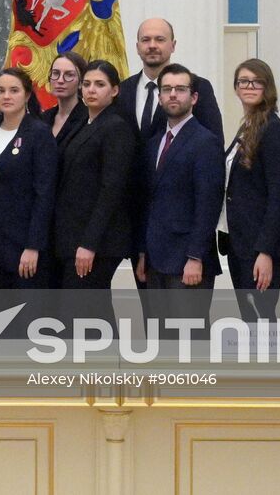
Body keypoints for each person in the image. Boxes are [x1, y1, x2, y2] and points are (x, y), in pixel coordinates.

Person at [135, 64, 222, 333]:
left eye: (180, 89)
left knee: (189, 342)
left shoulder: (205, 142)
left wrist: (195, 257)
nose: (173, 94)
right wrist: (143, 253)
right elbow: (148, 203)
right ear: (159, 97)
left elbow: (208, 204)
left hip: (188, 261)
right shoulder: (154, 144)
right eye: (167, 89)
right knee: (161, 341)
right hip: (156, 260)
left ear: (194, 97)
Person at [52, 61, 137, 324]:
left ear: (114, 90)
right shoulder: (85, 123)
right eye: (87, 84)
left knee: (83, 314)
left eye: (99, 85)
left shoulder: (116, 127)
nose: (91, 90)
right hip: (74, 236)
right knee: (92, 313)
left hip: (97, 242)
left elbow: (111, 189)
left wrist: (89, 244)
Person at [0, 68, 58, 289]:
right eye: (1, 91)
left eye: (14, 90)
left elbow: (44, 194)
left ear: (27, 95)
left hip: (23, 246)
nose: (6, 96)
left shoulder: (39, 133)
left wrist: (33, 246)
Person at [223, 59, 280, 322]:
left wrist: (266, 251)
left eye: (256, 82)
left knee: (261, 321)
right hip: (240, 242)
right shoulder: (249, 126)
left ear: (267, 87)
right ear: (236, 87)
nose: (249, 87)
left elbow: (279, 197)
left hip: (259, 246)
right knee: (250, 320)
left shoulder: (273, 130)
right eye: (243, 81)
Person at [118, 18, 224, 146]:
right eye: (146, 40)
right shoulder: (122, 90)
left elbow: (214, 142)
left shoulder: (198, 86)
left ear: (173, 46)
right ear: (137, 47)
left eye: (160, 39)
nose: (152, 45)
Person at [41, 53, 88, 151]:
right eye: (55, 73)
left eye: (69, 75)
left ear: (81, 82)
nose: (60, 80)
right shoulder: (42, 118)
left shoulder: (88, 119)